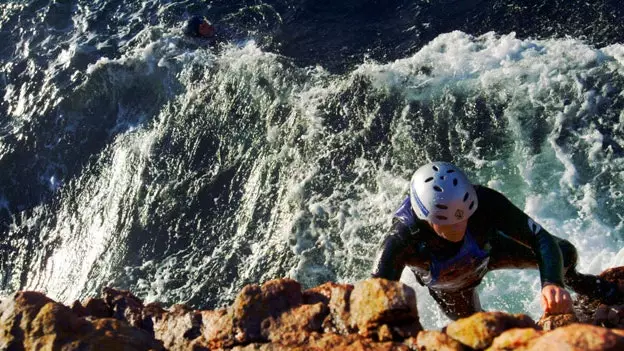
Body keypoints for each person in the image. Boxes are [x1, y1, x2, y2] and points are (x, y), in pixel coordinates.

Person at [372, 161, 623, 320]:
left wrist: (552, 283)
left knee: (564, 254)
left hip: (489, 251)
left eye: (466, 216)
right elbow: (376, 293)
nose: (460, 227)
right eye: (449, 222)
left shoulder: (486, 202)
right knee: (475, 329)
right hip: (450, 283)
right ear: (426, 217)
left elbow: (540, 237)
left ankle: (603, 292)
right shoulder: (403, 239)